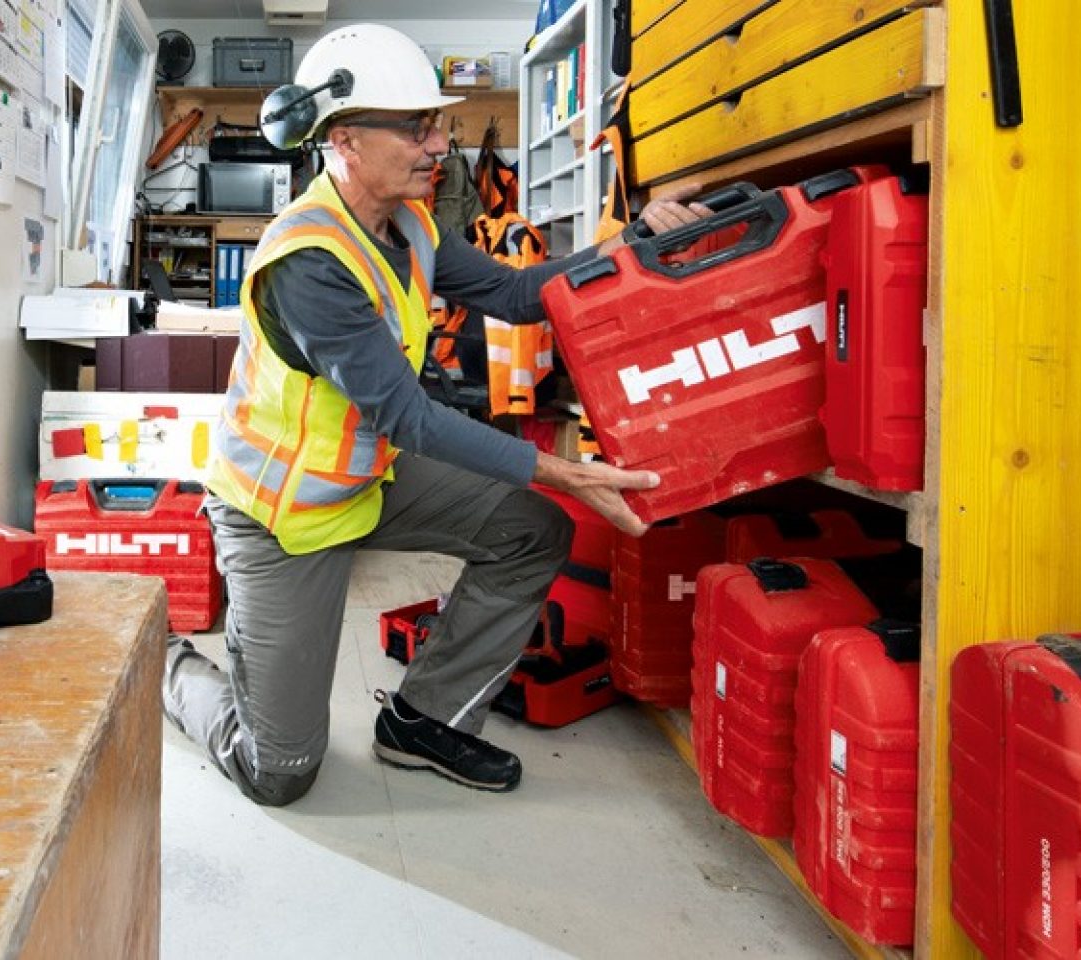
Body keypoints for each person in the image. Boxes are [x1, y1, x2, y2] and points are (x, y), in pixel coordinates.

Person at [162, 23, 713, 807]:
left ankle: (423, 720)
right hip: (281, 515)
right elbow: (409, 417)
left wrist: (631, 243)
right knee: (277, 773)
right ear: (345, 140)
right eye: (418, 127)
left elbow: (521, 295)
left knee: (533, 529)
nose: (439, 145)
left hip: (364, 477)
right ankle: (168, 664)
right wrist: (567, 472)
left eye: (439, 123)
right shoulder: (310, 263)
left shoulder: (413, 225)